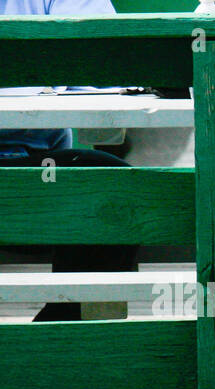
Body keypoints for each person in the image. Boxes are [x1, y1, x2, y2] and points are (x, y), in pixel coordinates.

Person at [0, 0, 139, 321]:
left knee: (114, 187)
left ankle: (62, 342)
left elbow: (113, 62)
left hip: (34, 169)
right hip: (35, 169)